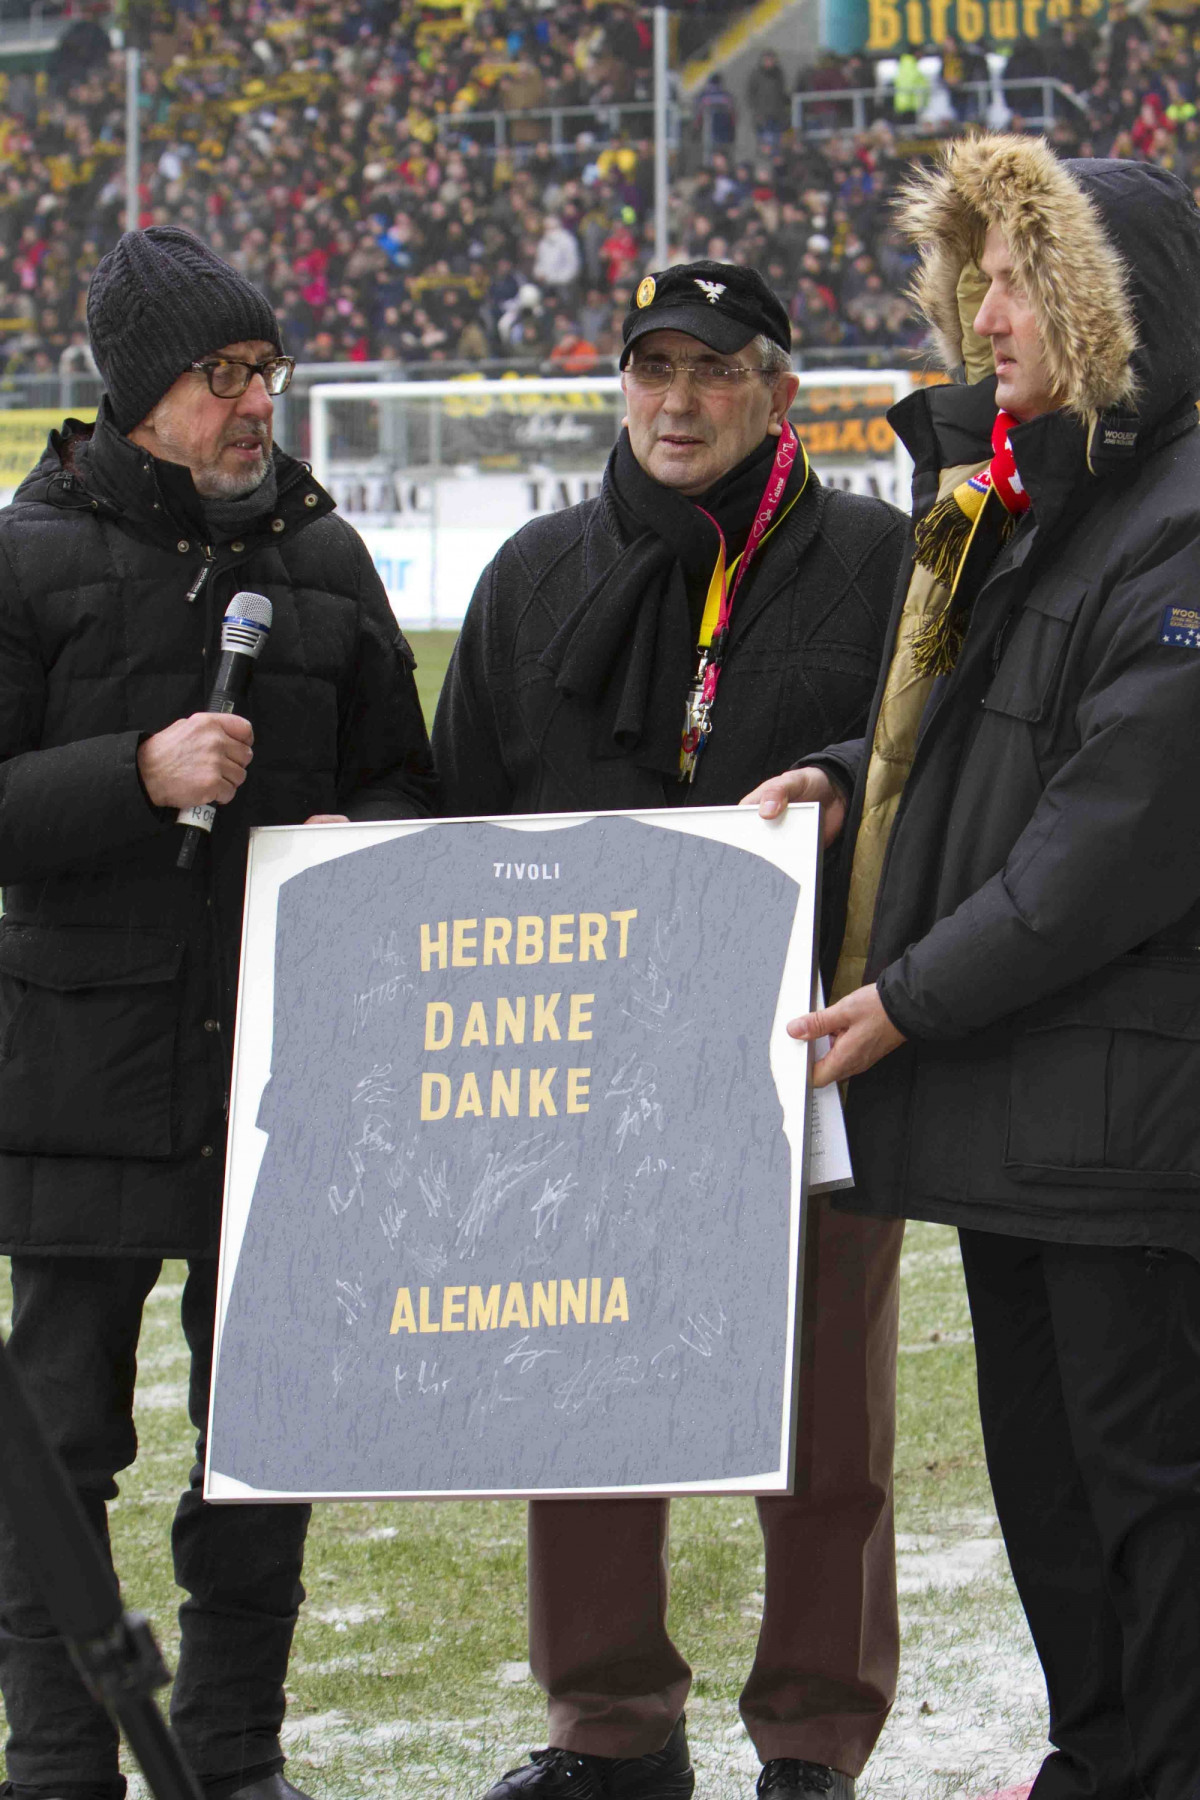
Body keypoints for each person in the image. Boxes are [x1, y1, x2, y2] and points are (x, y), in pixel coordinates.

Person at [757, 138, 1200, 1800]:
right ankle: (1101, 1756)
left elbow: (1110, 839)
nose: (984, 313)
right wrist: (841, 781)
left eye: (1020, 280)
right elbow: (967, 756)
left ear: (1112, 303)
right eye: (980, 279)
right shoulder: (1025, 505)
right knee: (1051, 1487)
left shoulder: (1180, 523)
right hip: (1022, 1108)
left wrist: (910, 999)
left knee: (1149, 1489)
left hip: (1131, 1120)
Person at [433, 260, 909, 1800]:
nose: (679, 401)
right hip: (582, 1074)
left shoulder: (878, 559)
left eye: (716, 370)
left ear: (781, 390)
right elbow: (457, 810)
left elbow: (933, 760)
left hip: (807, 1057)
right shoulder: (534, 572)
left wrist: (840, 774)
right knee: (582, 1407)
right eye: (654, 369)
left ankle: (814, 1739)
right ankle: (611, 1728)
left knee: (824, 1430)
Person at [0, 228, 436, 1800]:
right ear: (140, 397)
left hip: (286, 1076)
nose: (258, 403)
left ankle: (234, 1751)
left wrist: (361, 837)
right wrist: (133, 773)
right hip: (83, 1073)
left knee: (263, 1434)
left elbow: (407, 777)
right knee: (57, 1444)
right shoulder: (25, 556)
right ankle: (56, 1760)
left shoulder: (324, 559)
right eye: (223, 376)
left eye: (266, 371)